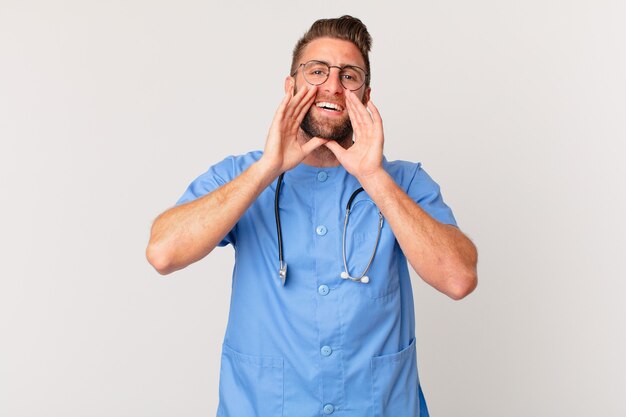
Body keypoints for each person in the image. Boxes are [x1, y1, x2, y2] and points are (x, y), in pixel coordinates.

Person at [146, 15, 477, 417]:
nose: (333, 86)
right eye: (317, 71)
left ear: (366, 96)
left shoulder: (404, 182)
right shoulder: (240, 175)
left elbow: (458, 278)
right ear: (291, 87)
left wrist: (373, 177)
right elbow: (163, 251)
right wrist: (267, 168)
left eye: (349, 76)